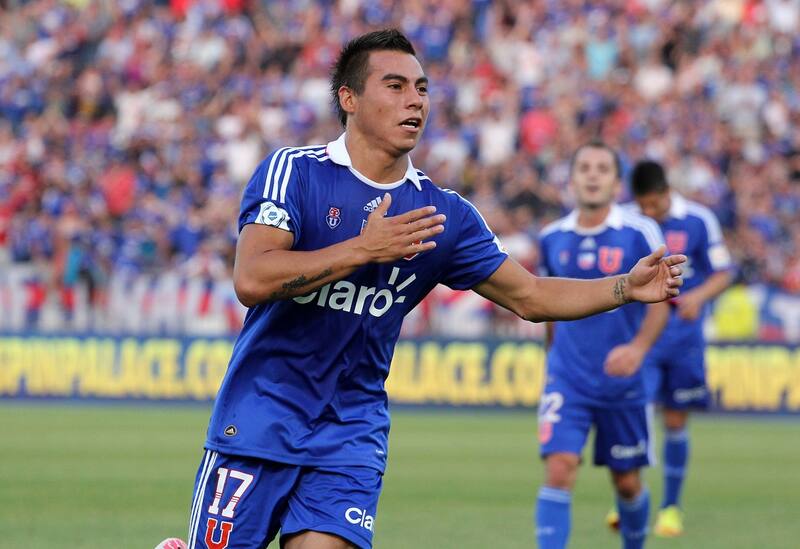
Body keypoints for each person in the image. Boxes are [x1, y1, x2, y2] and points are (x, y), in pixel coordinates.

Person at [181, 30, 684, 549]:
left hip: (350, 431)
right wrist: (362, 249)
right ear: (349, 99)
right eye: (395, 86)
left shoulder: (443, 214)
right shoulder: (296, 172)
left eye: (421, 88)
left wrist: (625, 286)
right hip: (261, 418)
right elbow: (252, 279)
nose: (415, 100)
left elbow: (531, 297)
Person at [535, 142, 672, 549]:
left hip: (621, 383)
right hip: (568, 378)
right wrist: (551, 362)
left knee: (627, 482)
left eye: (602, 169)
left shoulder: (640, 232)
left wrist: (638, 350)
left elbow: (663, 302)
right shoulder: (551, 238)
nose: (592, 175)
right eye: (584, 168)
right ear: (573, 178)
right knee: (559, 469)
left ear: (616, 182)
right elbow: (545, 304)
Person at [608, 160, 733, 538]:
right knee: (635, 416)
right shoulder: (625, 220)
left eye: (654, 205)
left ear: (666, 193)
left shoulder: (698, 219)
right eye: (642, 205)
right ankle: (631, 502)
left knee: (676, 420)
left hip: (682, 338)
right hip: (640, 336)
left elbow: (724, 272)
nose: (648, 213)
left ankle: (670, 508)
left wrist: (697, 297)